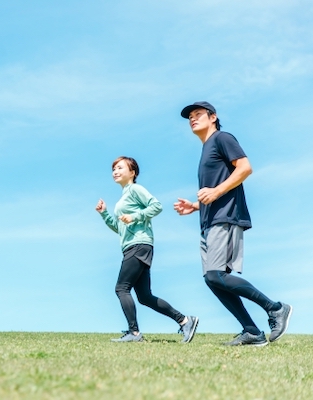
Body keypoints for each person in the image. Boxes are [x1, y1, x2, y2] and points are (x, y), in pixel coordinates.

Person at [174, 101, 292, 346]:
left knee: (217, 275)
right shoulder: (206, 149)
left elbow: (245, 168)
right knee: (212, 278)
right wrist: (195, 206)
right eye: (190, 117)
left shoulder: (222, 138)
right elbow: (217, 185)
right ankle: (251, 330)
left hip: (225, 217)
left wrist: (215, 193)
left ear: (213, 117)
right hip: (208, 221)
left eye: (198, 114)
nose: (193, 119)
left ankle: (276, 308)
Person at [96, 156, 199, 343]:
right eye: (113, 169)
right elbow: (119, 228)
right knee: (144, 296)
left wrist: (135, 216)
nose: (115, 172)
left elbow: (156, 206)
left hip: (139, 244)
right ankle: (185, 321)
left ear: (132, 172)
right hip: (132, 246)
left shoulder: (135, 189)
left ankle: (134, 333)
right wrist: (104, 213)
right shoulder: (123, 197)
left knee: (121, 288)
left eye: (120, 168)